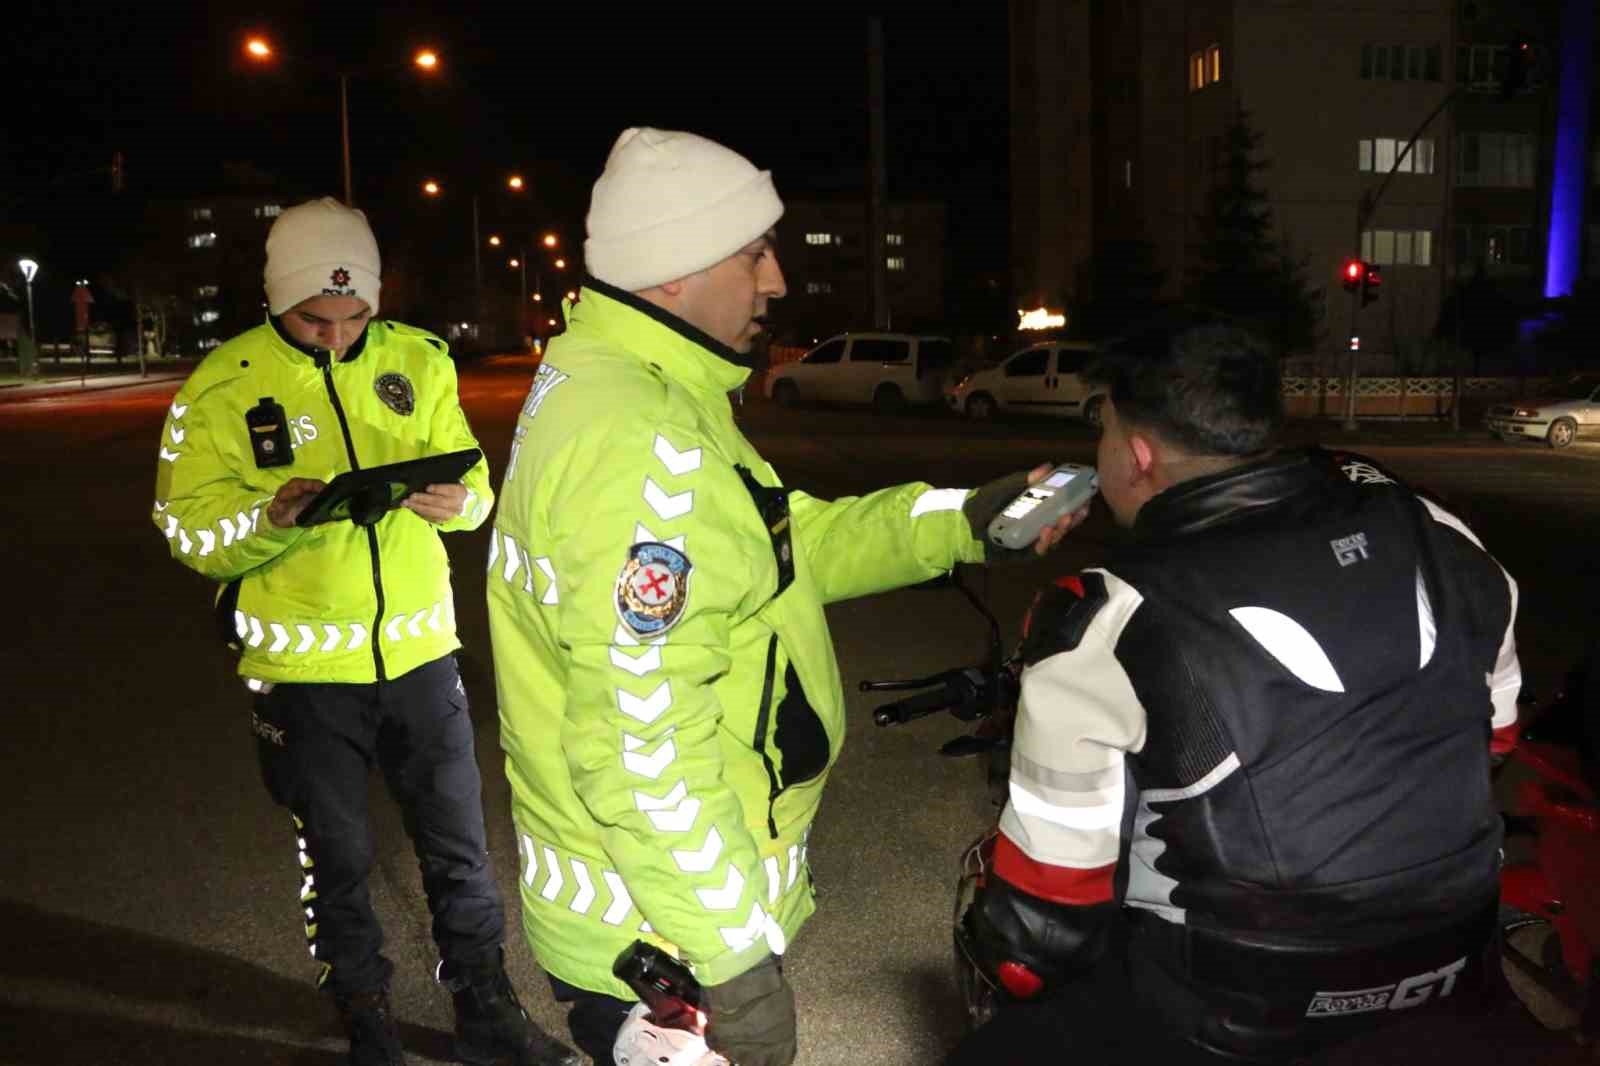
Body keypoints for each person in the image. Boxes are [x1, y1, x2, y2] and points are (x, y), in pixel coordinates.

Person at [484, 127, 1083, 1066]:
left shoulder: (637, 390)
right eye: (754, 254)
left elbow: (778, 546)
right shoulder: (641, 446)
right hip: (667, 934)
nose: (776, 282)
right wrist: (732, 960)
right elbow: (641, 745)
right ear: (674, 271)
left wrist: (962, 519)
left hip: (664, 906)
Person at [949, 323, 1522, 1065]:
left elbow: (1052, 903)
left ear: (1137, 453)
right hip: (1453, 955)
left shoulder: (1105, 613)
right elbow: (1496, 737)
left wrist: (998, 952)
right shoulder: (1436, 530)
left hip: (1223, 1001)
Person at [152, 197, 577, 1066]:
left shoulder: (418, 359)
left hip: (421, 655)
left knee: (462, 850)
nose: (339, 335)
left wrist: (465, 504)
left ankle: (487, 1016)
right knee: (338, 859)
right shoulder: (221, 388)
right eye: (316, 319)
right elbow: (187, 532)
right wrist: (271, 515)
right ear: (276, 299)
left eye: (355, 316)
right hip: (303, 676)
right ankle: (366, 1017)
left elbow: (473, 480)